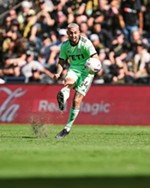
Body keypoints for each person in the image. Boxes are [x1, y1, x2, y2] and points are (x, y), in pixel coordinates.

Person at [53, 23, 99, 139]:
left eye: (75, 33)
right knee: (69, 82)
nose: (73, 35)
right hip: (74, 69)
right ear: (67, 34)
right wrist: (58, 73)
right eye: (71, 33)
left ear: (79, 32)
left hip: (87, 73)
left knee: (77, 100)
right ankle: (63, 96)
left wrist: (94, 65)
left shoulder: (86, 43)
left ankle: (67, 128)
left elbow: (95, 57)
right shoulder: (64, 46)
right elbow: (61, 62)